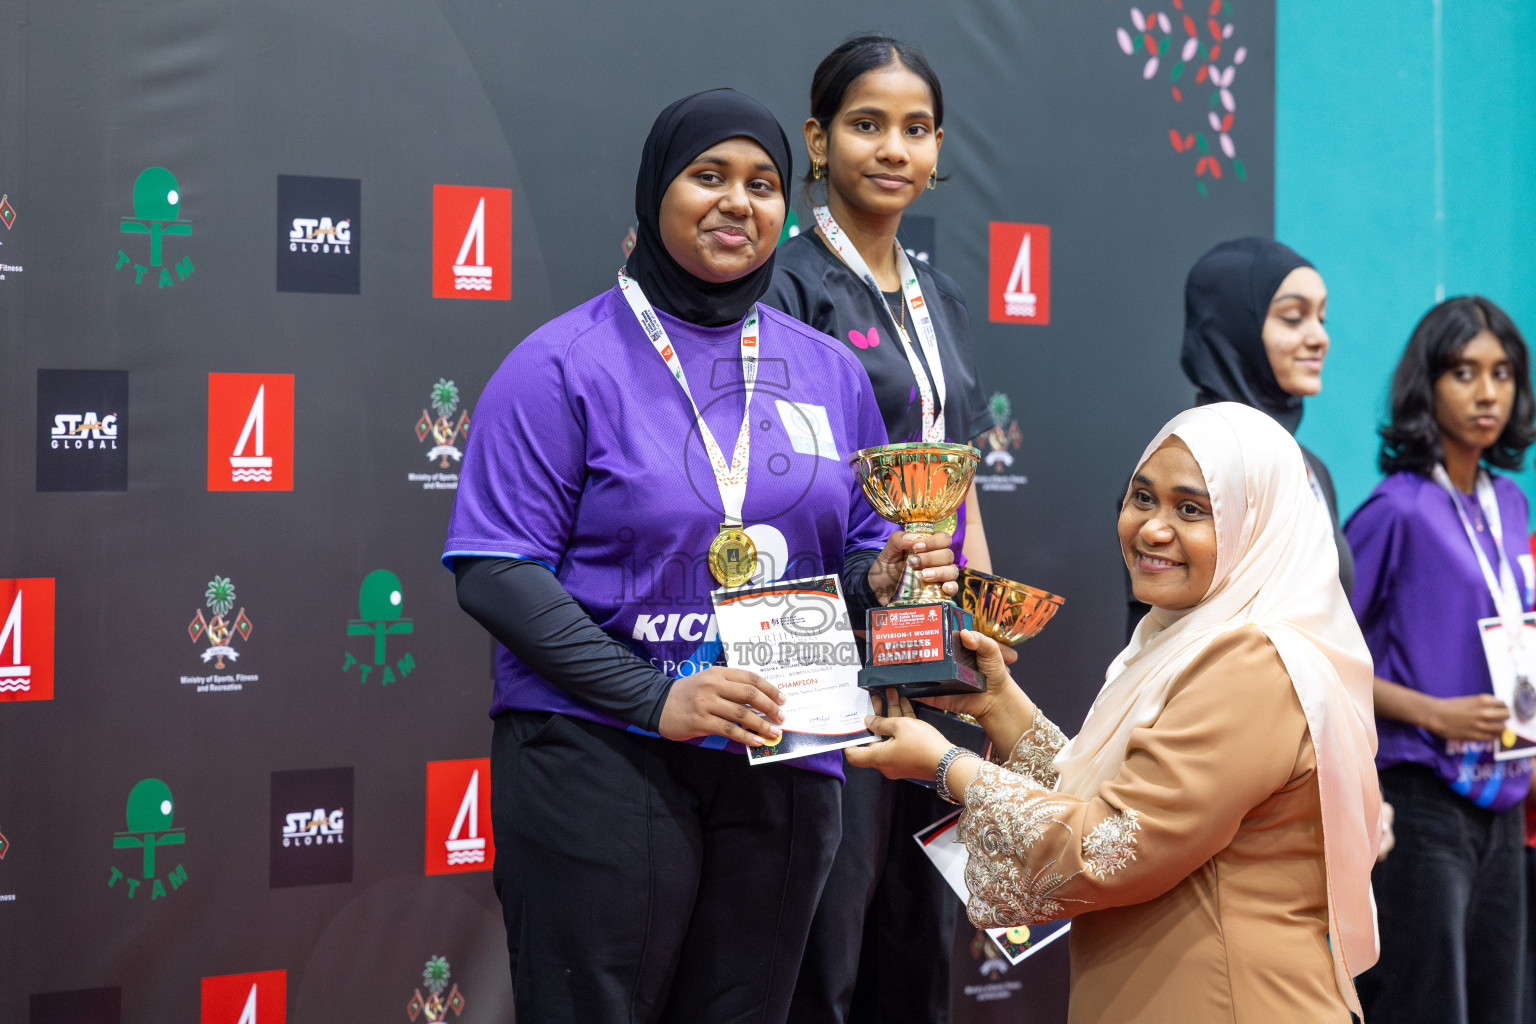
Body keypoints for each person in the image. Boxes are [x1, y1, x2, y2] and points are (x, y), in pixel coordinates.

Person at [441, 88, 960, 1024]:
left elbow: (854, 548)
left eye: (763, 184)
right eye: (708, 176)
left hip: (783, 749)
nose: (739, 203)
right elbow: (497, 570)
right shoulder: (561, 363)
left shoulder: (829, 369)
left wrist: (881, 577)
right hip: (601, 751)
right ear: (656, 194)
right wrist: (653, 697)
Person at [847, 402, 1382, 1024]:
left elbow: (1112, 849)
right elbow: (1124, 800)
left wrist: (948, 766)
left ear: (1255, 526)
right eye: (1141, 499)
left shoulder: (1253, 661)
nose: (1152, 529)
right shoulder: (1186, 637)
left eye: (1192, 509)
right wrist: (998, 704)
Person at [759, 36, 993, 1023]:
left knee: (922, 916)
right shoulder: (788, 281)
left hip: (924, 637)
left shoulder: (936, 293)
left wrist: (980, 619)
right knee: (823, 919)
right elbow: (761, 482)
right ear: (817, 139)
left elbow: (960, 474)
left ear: (939, 149)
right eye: (866, 125)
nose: (892, 148)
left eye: (915, 128)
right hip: (817, 629)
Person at [1347, 295, 1535, 1024]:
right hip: (1422, 796)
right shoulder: (1395, 508)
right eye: (1464, 372)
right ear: (1428, 384)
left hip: (1506, 795)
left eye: (1502, 373)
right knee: (1428, 1006)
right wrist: (1432, 710)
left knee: (1500, 1006)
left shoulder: (1511, 503)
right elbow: (1323, 656)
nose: (1488, 392)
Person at [1128, 238, 1349, 639]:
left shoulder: (1313, 469)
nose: (1320, 337)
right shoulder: (1183, 462)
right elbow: (1158, 636)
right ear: (1236, 326)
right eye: (1293, 317)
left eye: (1322, 318)